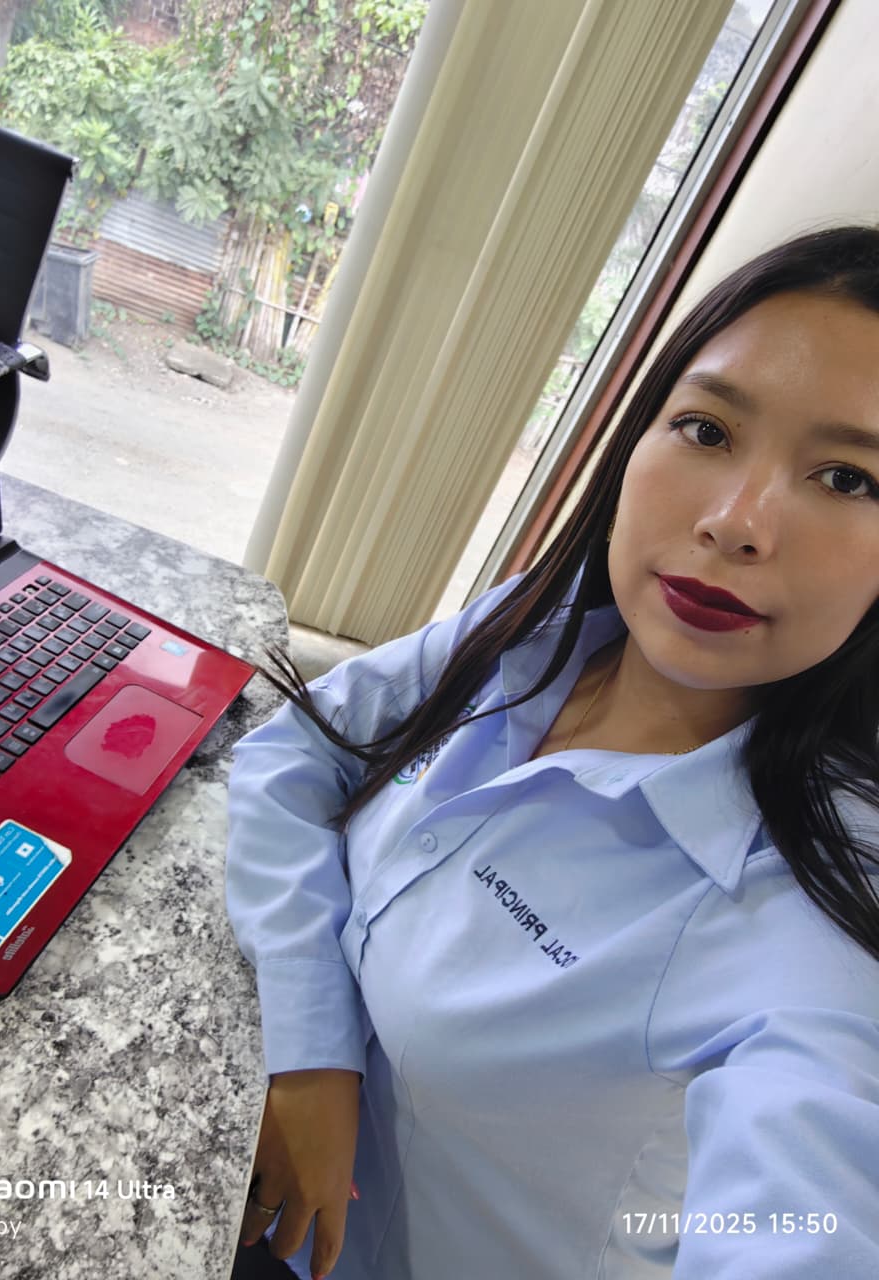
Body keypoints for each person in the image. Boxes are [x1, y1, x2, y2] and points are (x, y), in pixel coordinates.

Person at [225, 226, 879, 1280]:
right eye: (707, 428)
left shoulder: (823, 908)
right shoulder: (542, 629)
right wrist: (311, 1056)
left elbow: (810, 1202)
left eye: (847, 478)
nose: (736, 523)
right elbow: (292, 755)